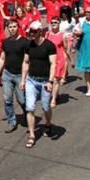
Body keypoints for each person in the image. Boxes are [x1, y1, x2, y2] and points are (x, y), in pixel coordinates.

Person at [20, 21, 57, 149]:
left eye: (35, 31)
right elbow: (25, 62)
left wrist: (51, 81)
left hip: (45, 80)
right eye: (31, 31)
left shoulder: (49, 46)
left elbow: (53, 64)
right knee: (30, 108)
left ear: (40, 31)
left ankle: (48, 123)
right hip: (31, 80)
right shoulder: (28, 45)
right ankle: (32, 136)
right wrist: (23, 80)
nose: (32, 33)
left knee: (46, 107)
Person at [0, 19, 30, 133]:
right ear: (8, 28)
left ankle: (27, 114)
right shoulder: (5, 42)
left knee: (22, 100)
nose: (12, 29)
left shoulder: (25, 42)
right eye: (10, 27)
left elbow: (27, 61)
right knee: (7, 99)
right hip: (7, 74)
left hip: (20, 75)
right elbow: (2, 58)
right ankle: (12, 122)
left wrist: (25, 78)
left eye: (14, 27)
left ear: (18, 27)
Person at [45, 17, 72, 108]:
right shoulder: (47, 34)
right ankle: (56, 93)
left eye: (55, 22)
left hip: (59, 59)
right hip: (48, 59)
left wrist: (71, 60)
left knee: (56, 79)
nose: (53, 24)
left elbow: (66, 49)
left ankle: (53, 99)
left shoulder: (63, 35)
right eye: (52, 22)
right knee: (49, 78)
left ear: (59, 23)